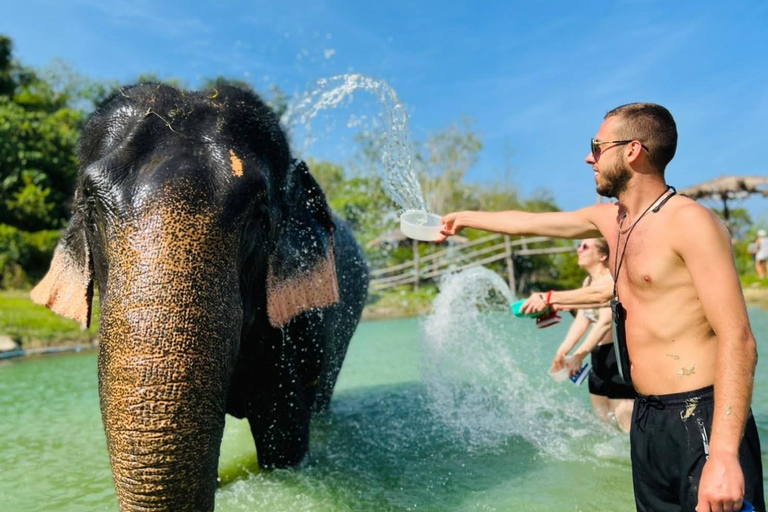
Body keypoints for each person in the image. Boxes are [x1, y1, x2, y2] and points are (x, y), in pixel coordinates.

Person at [437, 103, 763, 512]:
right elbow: (529, 222)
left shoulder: (690, 222)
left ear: (632, 151)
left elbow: (739, 339)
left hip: (699, 414)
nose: (588, 157)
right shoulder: (613, 221)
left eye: (597, 145)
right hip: (646, 418)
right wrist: (461, 219)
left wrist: (726, 455)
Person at [547, 238, 636, 431]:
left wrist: (579, 355)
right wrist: (562, 352)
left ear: (603, 256)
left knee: (626, 423)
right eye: (579, 245)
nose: (579, 249)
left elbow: (605, 321)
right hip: (597, 358)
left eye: (585, 246)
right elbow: (582, 320)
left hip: (617, 358)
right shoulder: (588, 282)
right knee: (605, 426)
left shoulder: (611, 281)